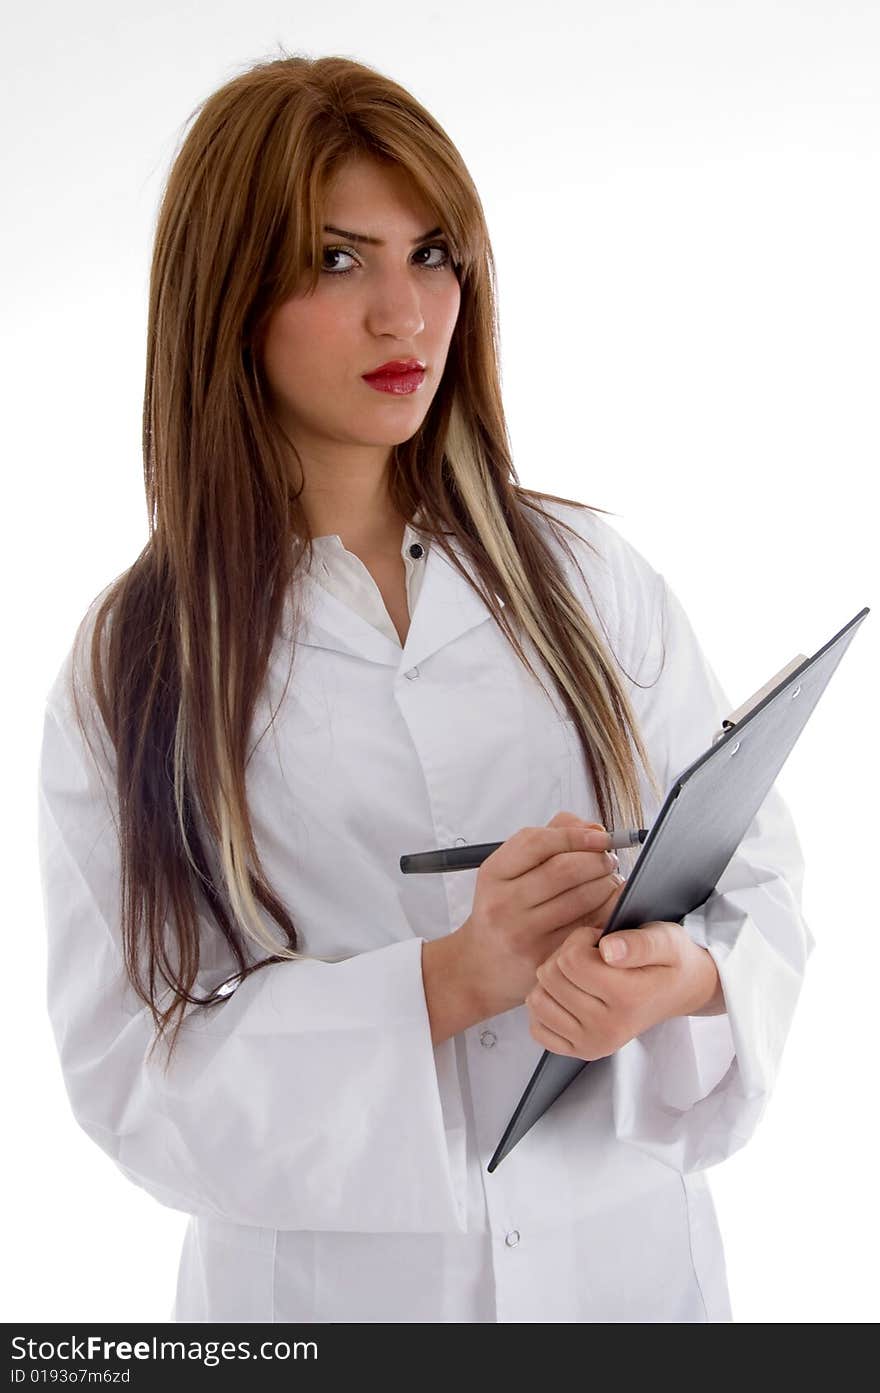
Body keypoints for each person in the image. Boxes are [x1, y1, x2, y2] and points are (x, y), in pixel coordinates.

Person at [37, 52, 813, 1324]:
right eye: (337, 261)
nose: (407, 316)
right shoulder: (136, 667)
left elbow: (763, 889)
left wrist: (675, 977)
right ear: (227, 295)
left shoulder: (590, 579)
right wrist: (453, 975)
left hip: (629, 1280)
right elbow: (133, 1073)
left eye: (433, 252)